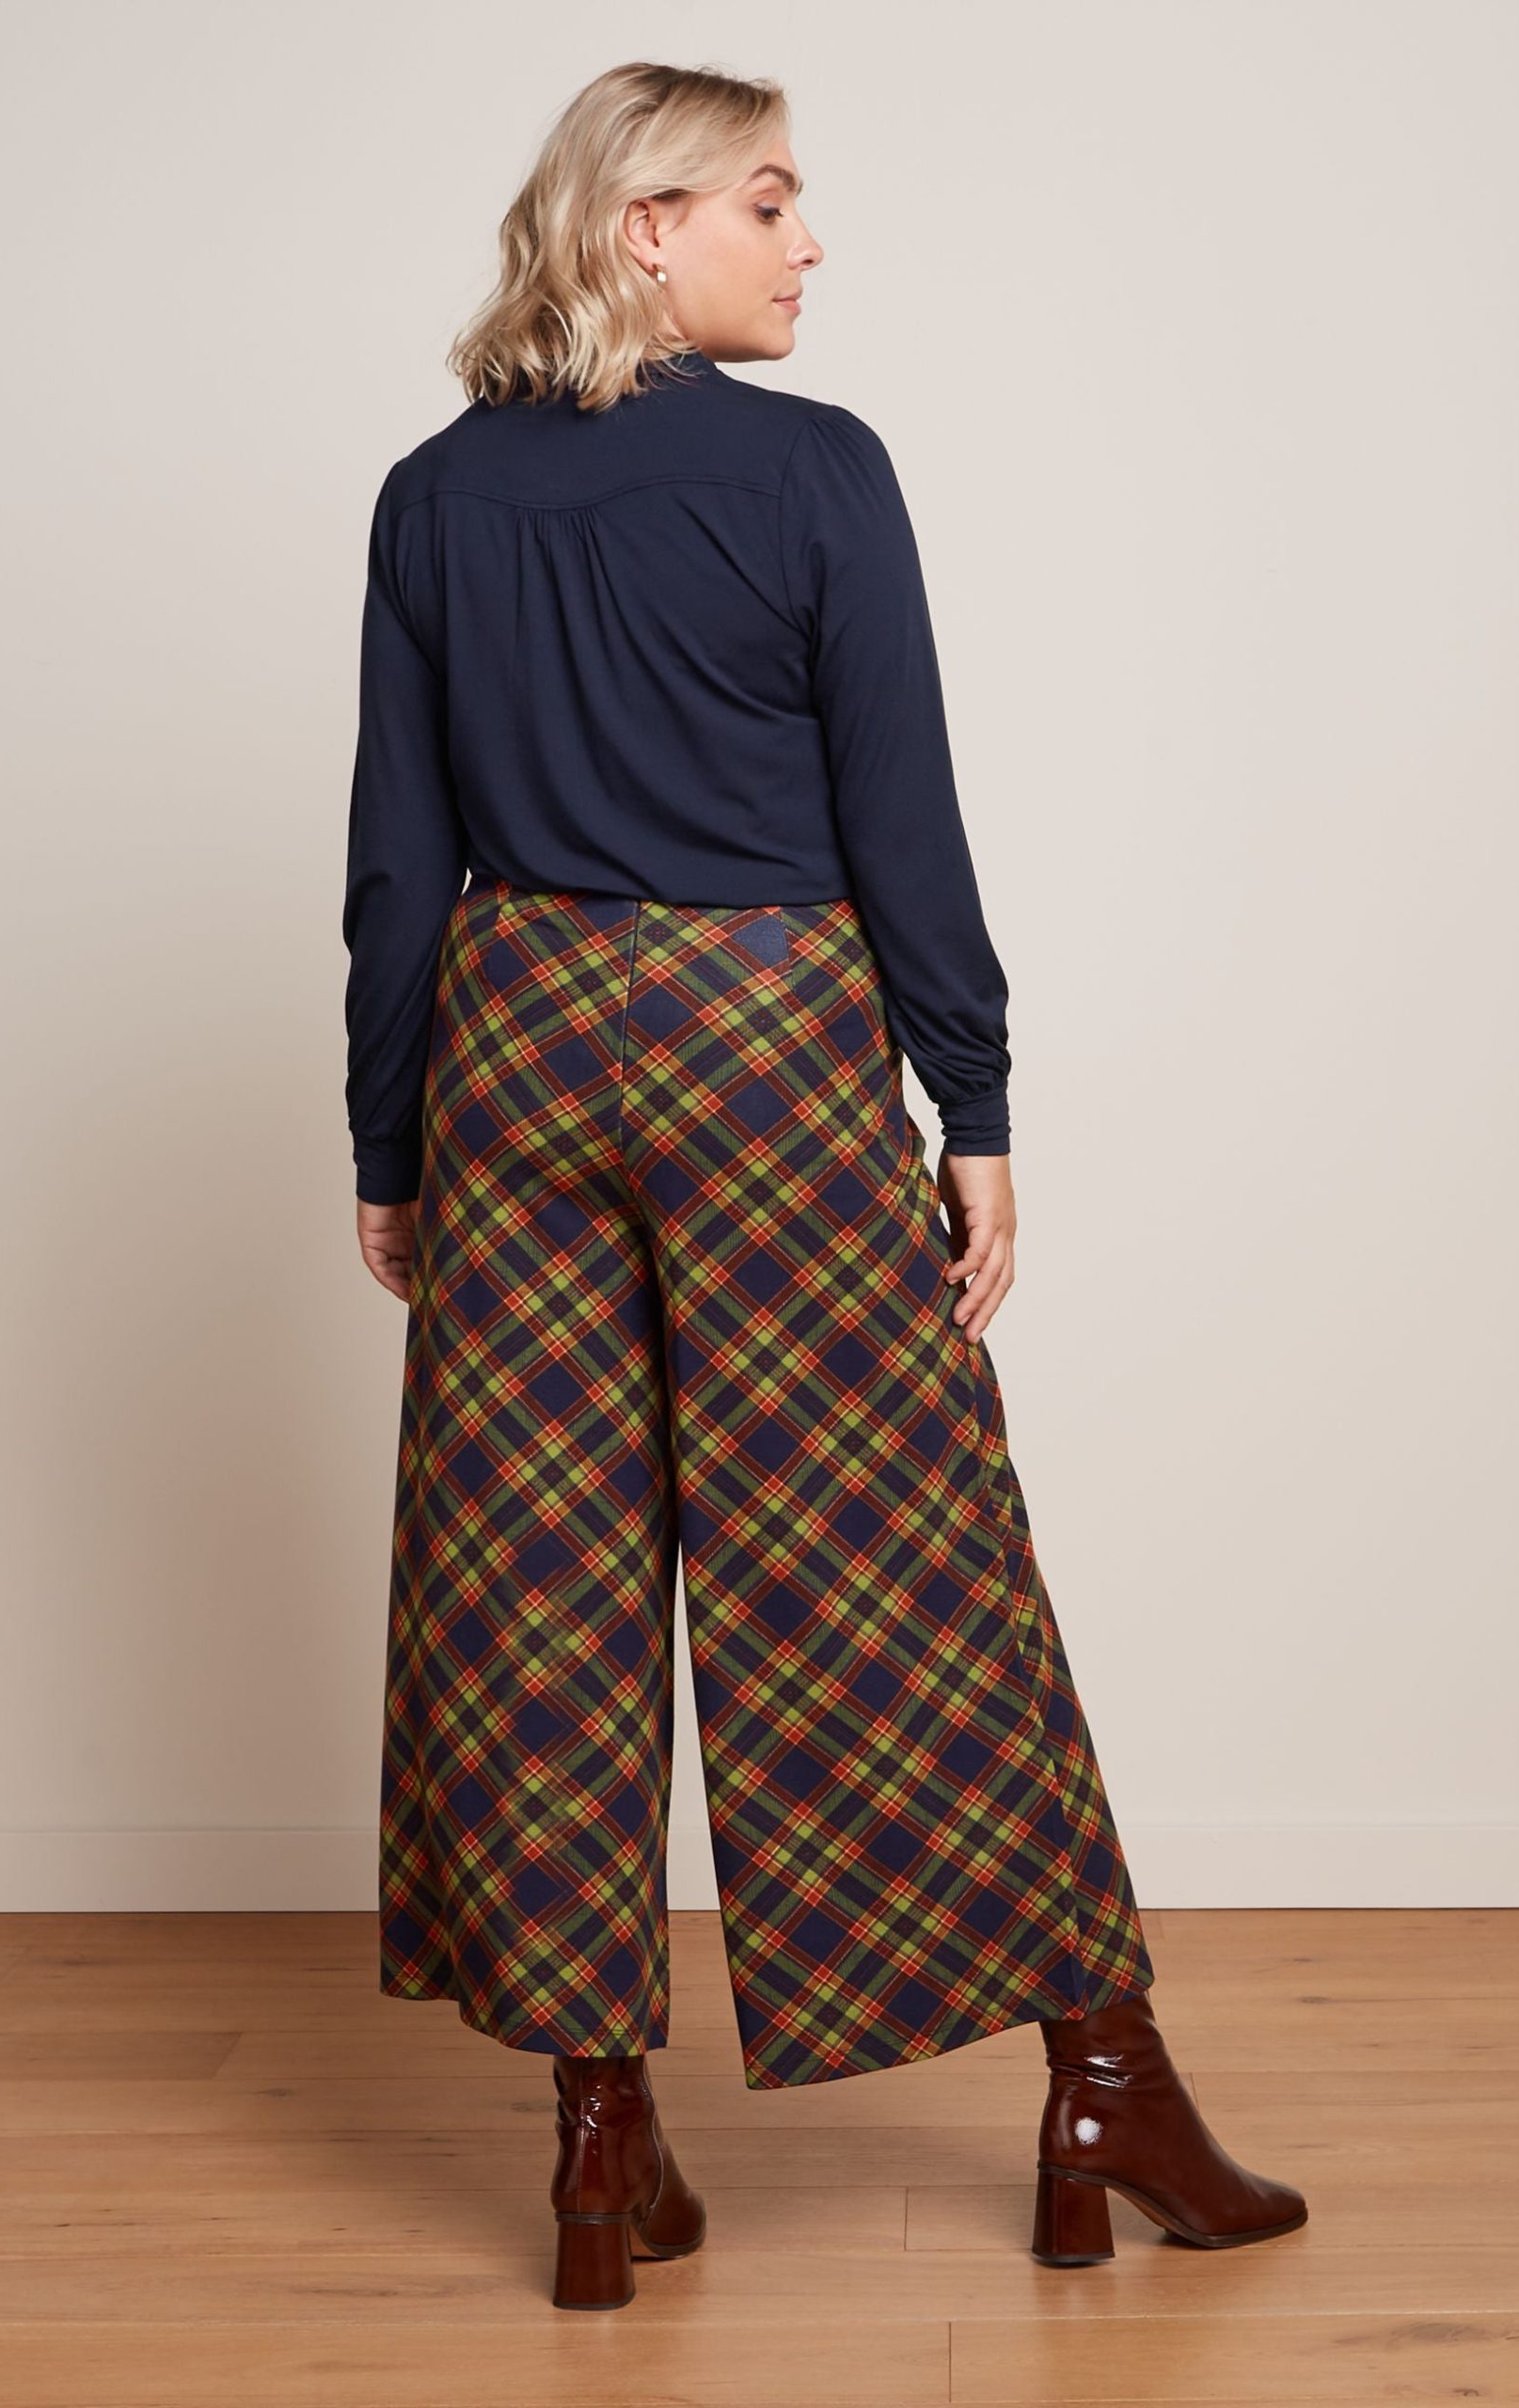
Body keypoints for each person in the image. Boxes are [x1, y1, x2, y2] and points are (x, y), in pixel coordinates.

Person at [341, 61, 1307, 2311]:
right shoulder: (811, 468)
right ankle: (1100, 2083)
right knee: (901, 1564)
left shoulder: (433, 495)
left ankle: (599, 2136)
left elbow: (398, 854)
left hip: (514, 1039)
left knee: (538, 1582)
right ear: (639, 227)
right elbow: (899, 818)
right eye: (764, 201)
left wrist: (389, 1135)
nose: (805, 243)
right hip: (762, 1043)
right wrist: (970, 1100)